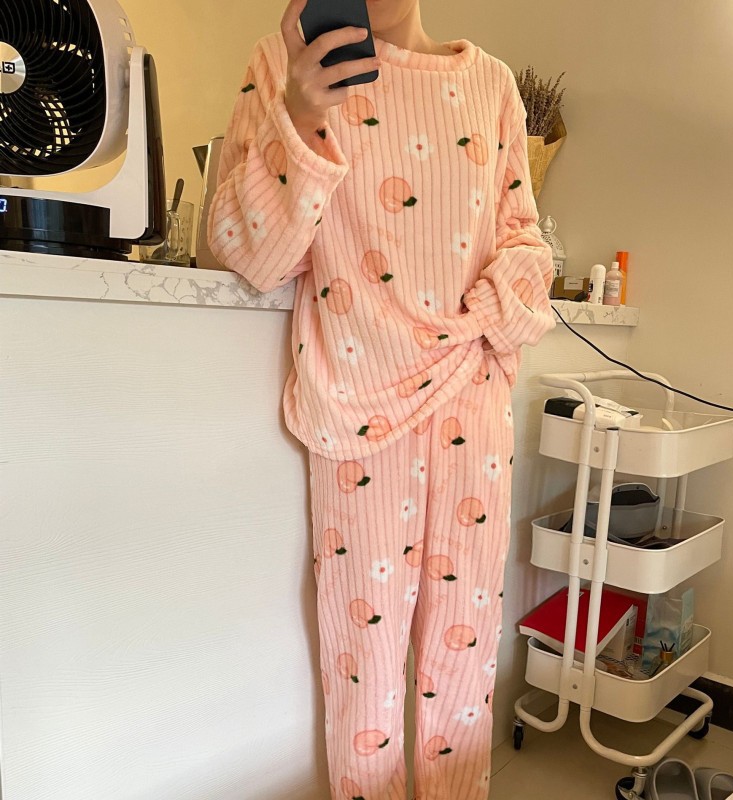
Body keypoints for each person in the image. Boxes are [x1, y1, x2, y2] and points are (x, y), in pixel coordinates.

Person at [208, 0, 555, 796]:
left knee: (464, 657)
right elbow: (248, 252)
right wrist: (300, 114)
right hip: (358, 408)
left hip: (472, 397)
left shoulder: (492, 85)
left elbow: (525, 239)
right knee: (361, 665)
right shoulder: (281, 66)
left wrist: (490, 311)